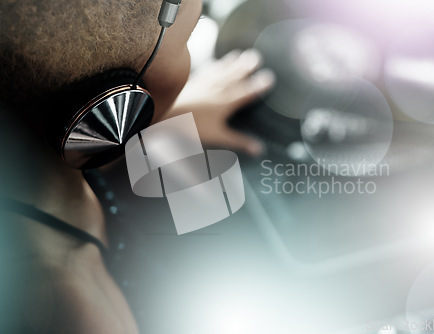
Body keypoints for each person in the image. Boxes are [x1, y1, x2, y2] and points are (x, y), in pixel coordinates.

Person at [0, 0, 274, 332]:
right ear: (116, 99)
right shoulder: (78, 310)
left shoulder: (28, 161)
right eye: (189, 37)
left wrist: (167, 120)